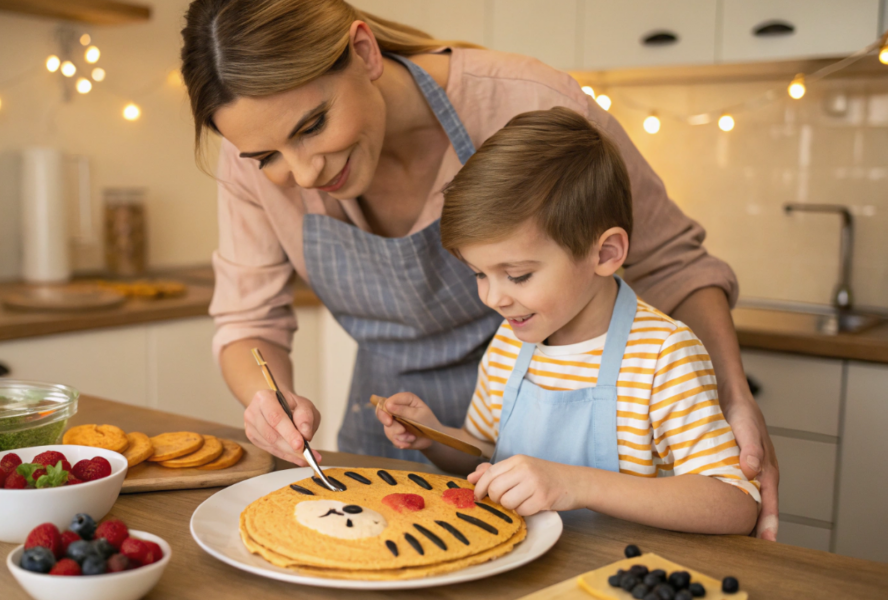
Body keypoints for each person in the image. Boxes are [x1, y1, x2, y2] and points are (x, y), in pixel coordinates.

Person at [180, 0, 779, 538]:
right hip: (411, 441)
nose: (304, 175)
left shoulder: (528, 102)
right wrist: (271, 401)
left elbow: (675, 261)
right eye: (267, 158)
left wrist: (733, 398)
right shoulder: (508, 352)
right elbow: (247, 320)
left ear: (363, 52)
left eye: (311, 127)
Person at [378, 107, 759, 533]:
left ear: (606, 253)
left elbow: (735, 504)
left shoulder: (662, 355)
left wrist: (574, 484)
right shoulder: (510, 342)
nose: (494, 298)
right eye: (479, 275)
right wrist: (437, 437)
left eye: (518, 275)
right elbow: (489, 456)